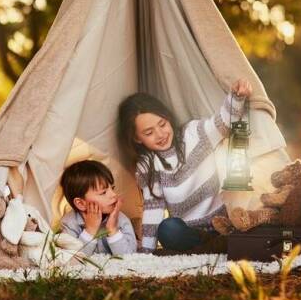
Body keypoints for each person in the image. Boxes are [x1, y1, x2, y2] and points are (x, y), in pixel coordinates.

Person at [118, 79, 253, 253]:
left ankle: (216, 245)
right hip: (190, 233)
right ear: (137, 138)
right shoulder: (147, 165)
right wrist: (146, 254)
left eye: (162, 124)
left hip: (224, 222)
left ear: (168, 118)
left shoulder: (194, 133)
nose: (160, 134)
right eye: (149, 132)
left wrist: (237, 96)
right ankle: (214, 246)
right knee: (167, 230)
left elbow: (223, 123)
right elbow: (154, 209)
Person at [58, 160, 137, 256]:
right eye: (103, 193)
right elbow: (72, 260)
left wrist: (112, 229)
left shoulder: (120, 219)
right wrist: (90, 230)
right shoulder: (69, 223)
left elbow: (130, 258)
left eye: (112, 188)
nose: (113, 195)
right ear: (81, 204)